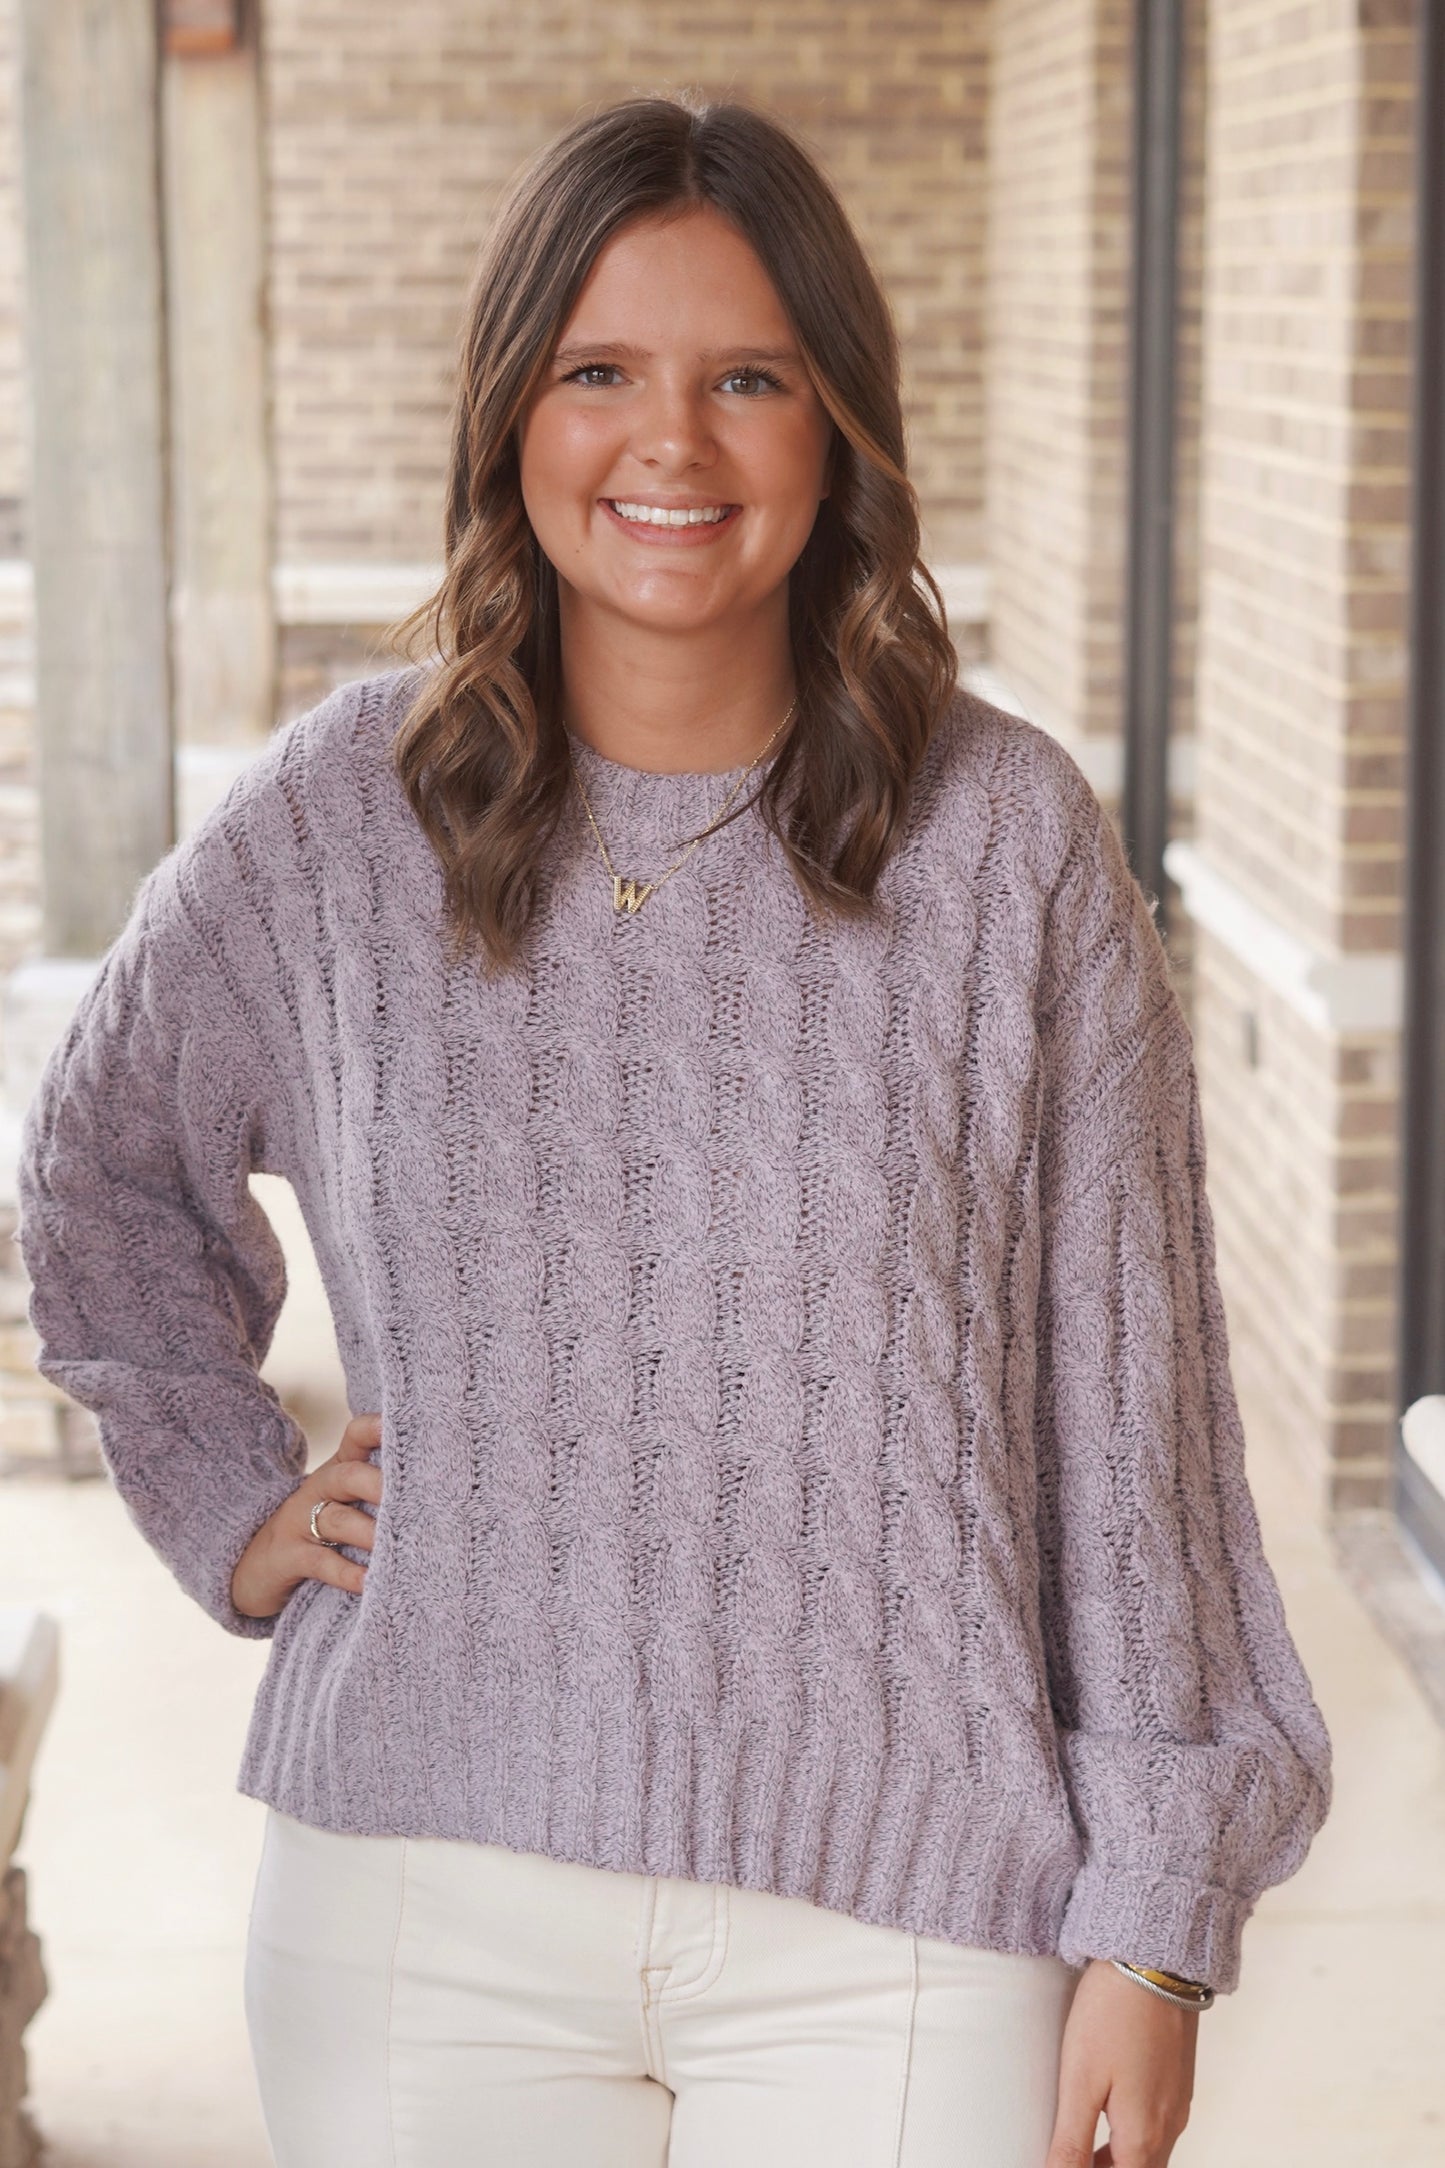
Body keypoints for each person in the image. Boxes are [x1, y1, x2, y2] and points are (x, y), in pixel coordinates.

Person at [14, 93, 1332, 2168]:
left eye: (748, 380)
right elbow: (96, 1169)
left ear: (837, 427)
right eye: (599, 373)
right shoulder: (343, 820)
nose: (673, 446)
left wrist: (1156, 1928)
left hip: (909, 1924)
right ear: (509, 417)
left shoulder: (1003, 849)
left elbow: (1132, 1424)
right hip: (421, 1903)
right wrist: (224, 1492)